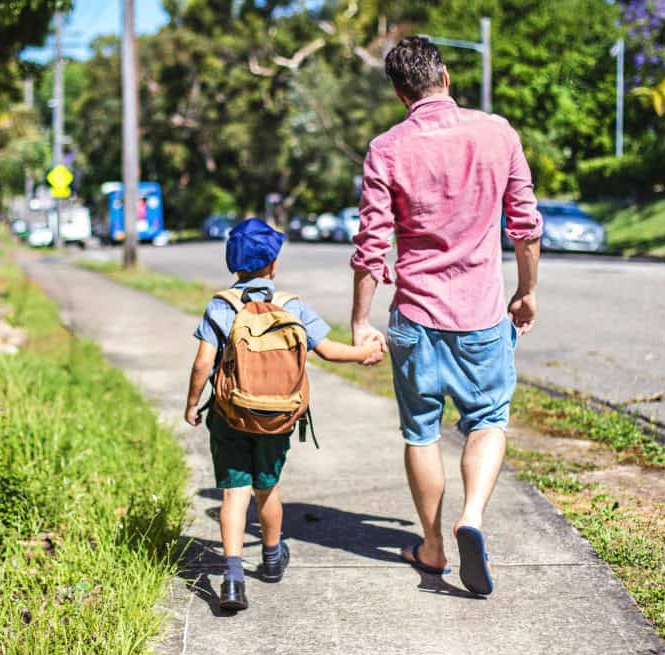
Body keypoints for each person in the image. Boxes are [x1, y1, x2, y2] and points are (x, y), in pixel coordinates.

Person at [349, 37, 543, 596]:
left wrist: (362, 321)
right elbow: (525, 228)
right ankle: (472, 517)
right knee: (487, 422)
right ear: (447, 78)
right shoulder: (498, 132)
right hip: (482, 317)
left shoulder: (386, 149)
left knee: (420, 432)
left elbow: (371, 246)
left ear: (397, 91)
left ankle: (432, 547)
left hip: (416, 318)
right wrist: (527, 292)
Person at [185, 217, 382, 611]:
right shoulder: (291, 306)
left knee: (233, 493)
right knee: (268, 489)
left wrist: (192, 404)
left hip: (229, 415)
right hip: (277, 417)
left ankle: (233, 579)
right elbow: (328, 350)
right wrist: (366, 353)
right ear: (273, 264)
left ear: (232, 264)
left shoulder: (221, 306)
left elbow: (202, 363)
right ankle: (272, 559)